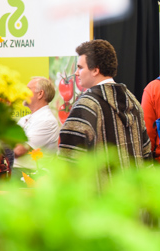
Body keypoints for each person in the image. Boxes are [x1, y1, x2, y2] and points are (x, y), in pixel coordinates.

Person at [58, 39, 152, 175]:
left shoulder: (86, 105)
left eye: (80, 67)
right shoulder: (134, 102)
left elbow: (68, 160)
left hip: (100, 188)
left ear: (95, 70)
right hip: (132, 187)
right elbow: (146, 154)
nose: (76, 73)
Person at [14, 76, 60, 171]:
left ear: (40, 94)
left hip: (31, 176)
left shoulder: (47, 121)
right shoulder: (25, 119)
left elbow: (18, 150)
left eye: (28, 89)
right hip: (17, 172)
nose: (23, 92)